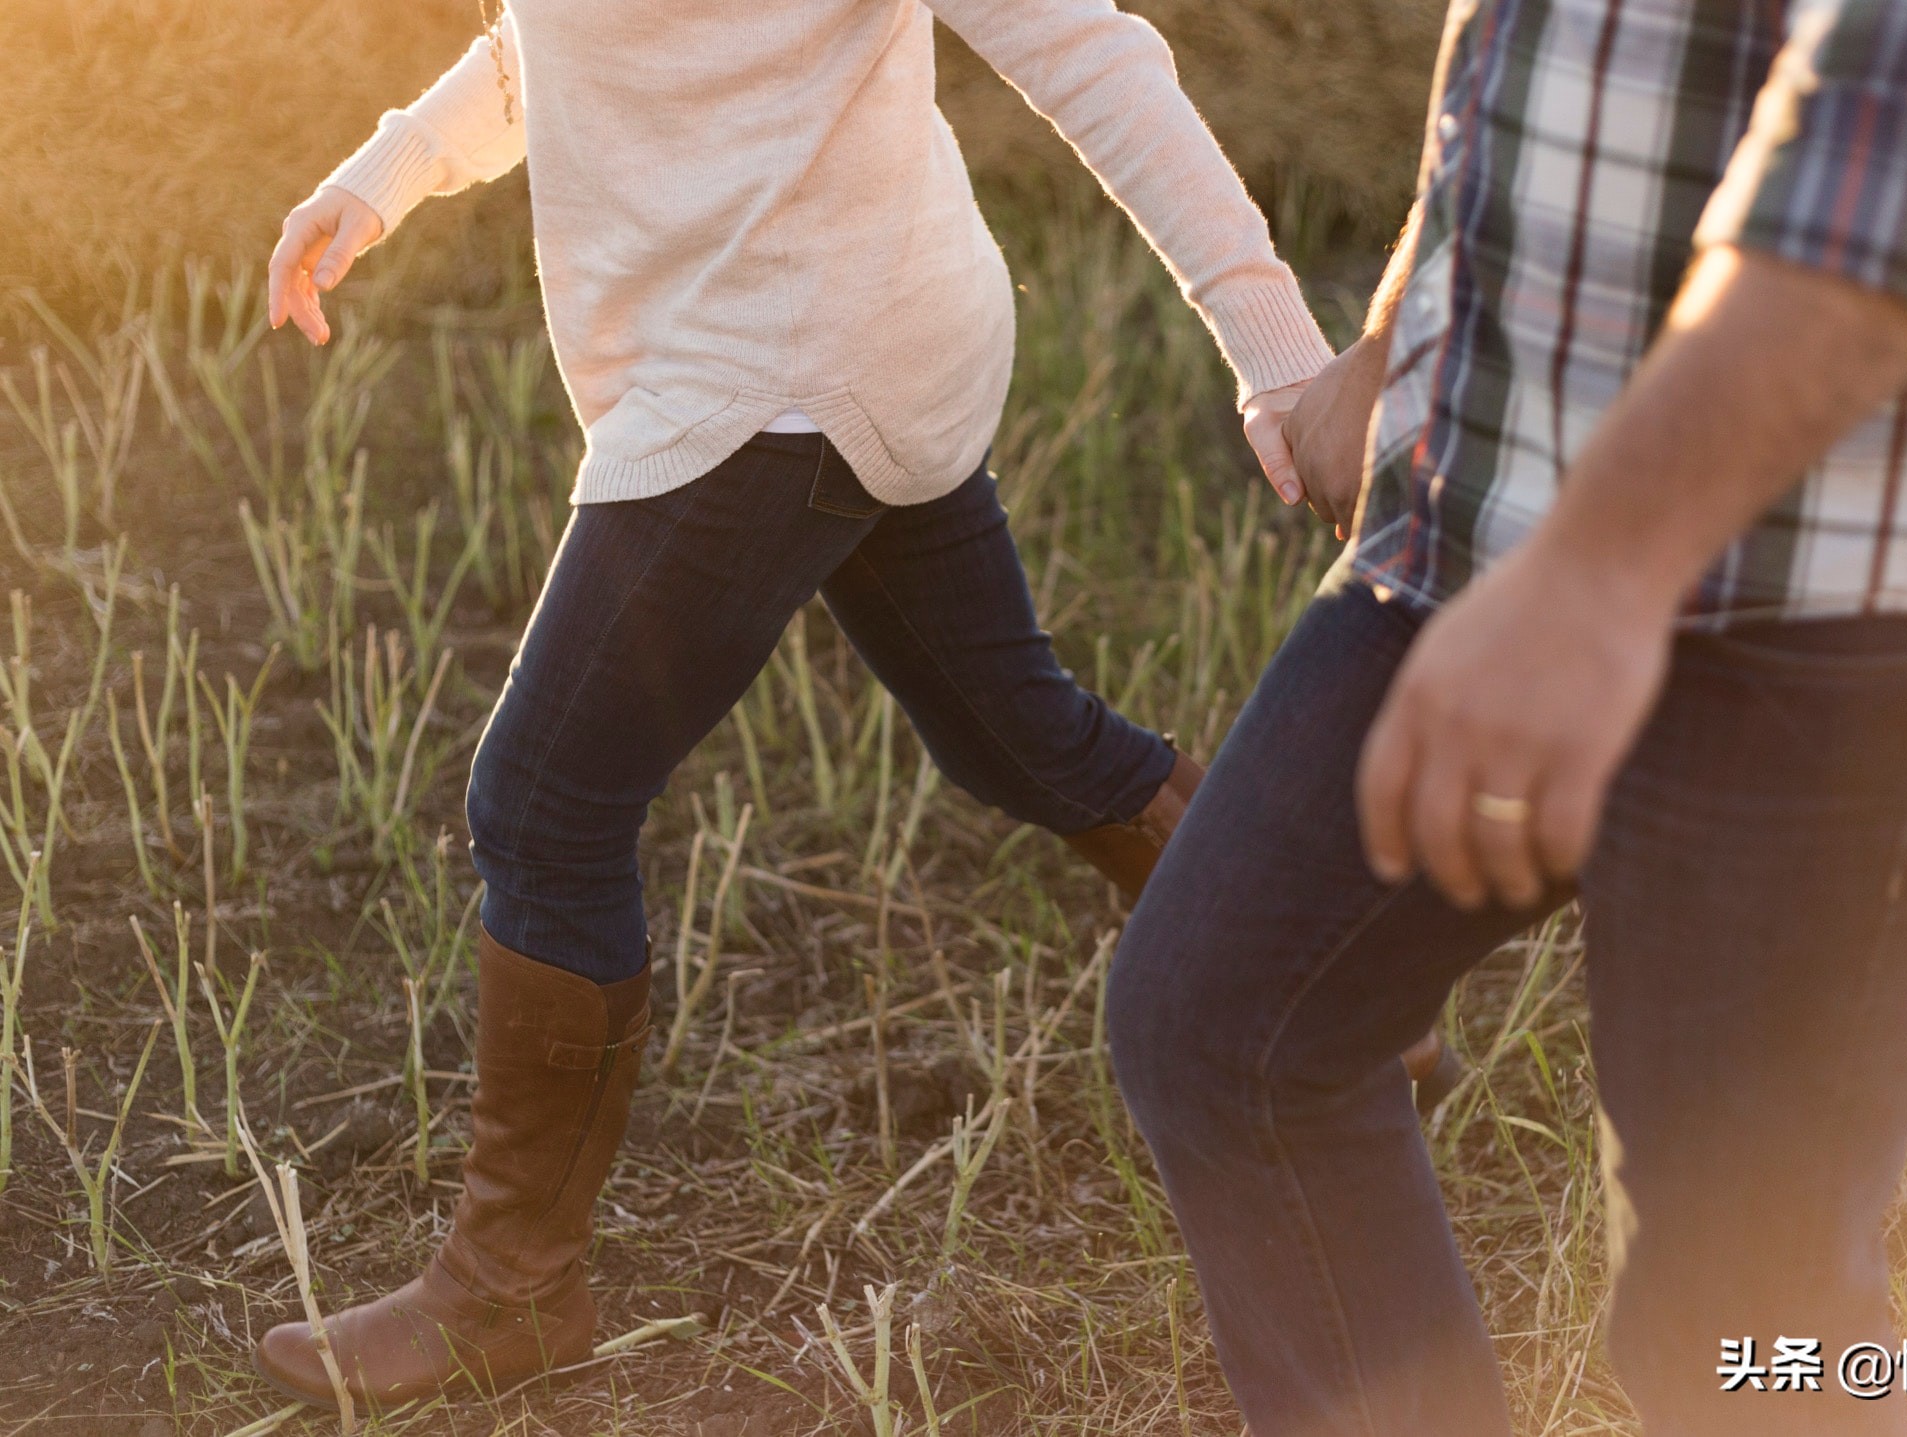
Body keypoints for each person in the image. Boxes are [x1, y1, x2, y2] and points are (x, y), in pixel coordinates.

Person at [247, 0, 1375, 1411]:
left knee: (542, 799)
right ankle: (1335, 987)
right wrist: (385, 172)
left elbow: (1090, 52)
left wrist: (1285, 360)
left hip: (780, 369)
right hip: (833, 329)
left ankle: (511, 1284)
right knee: (1013, 734)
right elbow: (563, 43)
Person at [1108, 1, 1907, 1433]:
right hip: (1492, 524)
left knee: (1741, 1324)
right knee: (1228, 1022)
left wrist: (1598, 575)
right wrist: (1399, 321)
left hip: (1840, 597)